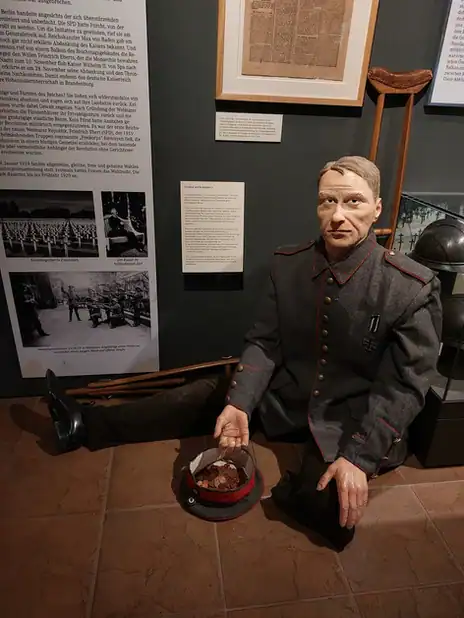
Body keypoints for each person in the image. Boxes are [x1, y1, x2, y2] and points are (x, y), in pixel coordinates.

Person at [46, 156, 442, 533]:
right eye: (327, 201)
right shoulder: (288, 265)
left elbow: (404, 387)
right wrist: (239, 404)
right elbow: (265, 342)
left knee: (327, 508)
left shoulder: (407, 287)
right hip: (286, 399)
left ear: (376, 209)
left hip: (351, 420)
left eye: (353, 201)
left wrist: (359, 458)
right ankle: (85, 424)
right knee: (200, 396)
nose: (338, 215)